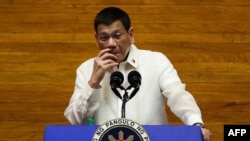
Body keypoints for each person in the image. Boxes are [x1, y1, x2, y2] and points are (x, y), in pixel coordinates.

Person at [64, 7, 211, 141]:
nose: (111, 44)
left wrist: (195, 123)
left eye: (117, 35)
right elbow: (75, 121)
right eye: (104, 38)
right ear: (96, 40)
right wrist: (94, 82)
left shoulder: (155, 61)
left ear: (131, 35)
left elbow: (177, 95)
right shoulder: (86, 69)